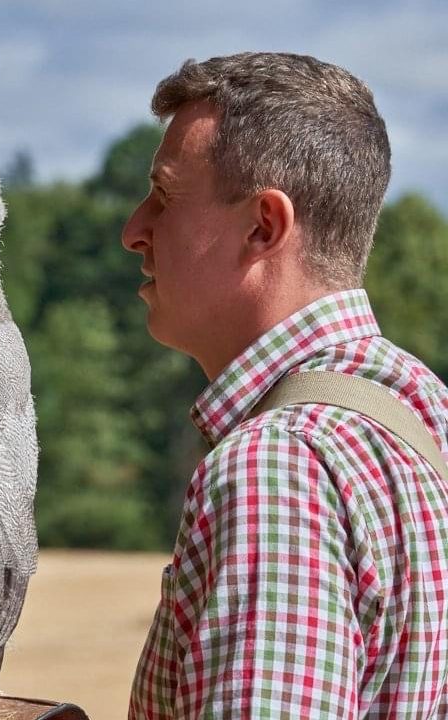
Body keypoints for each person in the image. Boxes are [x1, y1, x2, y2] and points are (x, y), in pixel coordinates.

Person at [122, 52, 448, 719]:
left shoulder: (279, 466)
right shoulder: (426, 409)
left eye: (163, 196)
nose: (134, 231)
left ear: (263, 226)